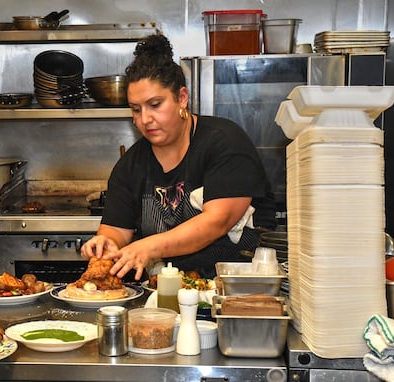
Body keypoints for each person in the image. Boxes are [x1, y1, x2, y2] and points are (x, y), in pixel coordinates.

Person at [81, 34, 277, 281]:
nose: (145, 119)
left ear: (181, 98)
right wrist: (106, 243)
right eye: (136, 109)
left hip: (239, 288)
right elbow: (116, 231)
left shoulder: (224, 142)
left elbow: (217, 221)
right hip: (162, 293)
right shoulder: (130, 165)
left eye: (155, 104)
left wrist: (148, 247)